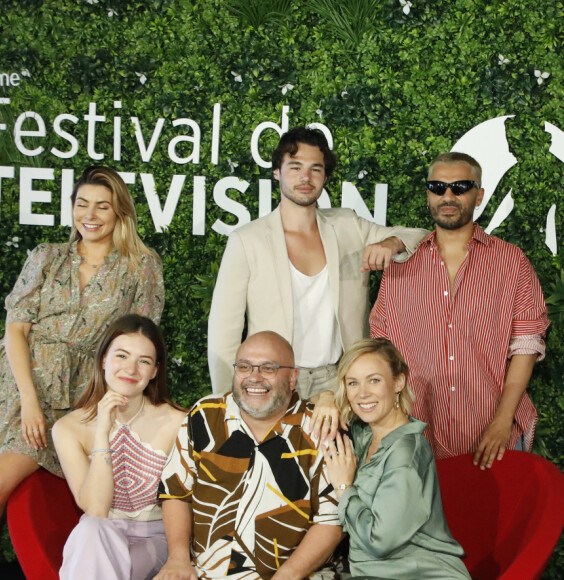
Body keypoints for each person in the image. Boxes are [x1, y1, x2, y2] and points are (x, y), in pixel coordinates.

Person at [0, 166, 164, 578]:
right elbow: (16, 328)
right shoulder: (46, 256)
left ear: (120, 212)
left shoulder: (141, 266)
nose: (91, 214)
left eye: (103, 206)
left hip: (71, 396)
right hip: (7, 381)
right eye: (82, 204)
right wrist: (28, 398)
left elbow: (139, 339)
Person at [208, 127, 427, 440]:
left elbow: (417, 235)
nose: (305, 177)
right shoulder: (248, 241)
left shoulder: (347, 225)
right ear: (277, 173)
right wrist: (227, 404)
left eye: (316, 169)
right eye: (295, 167)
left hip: (338, 380)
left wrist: (390, 243)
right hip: (274, 379)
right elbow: (223, 333)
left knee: (334, 475)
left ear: (325, 177)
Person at [370, 152, 549, 468]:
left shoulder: (511, 262)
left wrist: (502, 421)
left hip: (492, 432)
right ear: (428, 195)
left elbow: (526, 346)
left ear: (479, 195)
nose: (447, 196)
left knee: (496, 518)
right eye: (437, 187)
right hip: (419, 436)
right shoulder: (399, 265)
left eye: (460, 187)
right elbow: (384, 350)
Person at [155, 331, 343, 580]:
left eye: (268, 368)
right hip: (203, 573)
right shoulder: (205, 416)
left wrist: (287, 576)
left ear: (292, 377)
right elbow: (176, 492)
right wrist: (178, 559)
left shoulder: (320, 428)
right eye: (244, 367)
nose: (254, 378)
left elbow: (332, 519)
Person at [322, 338, 470, 579]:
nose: (362, 393)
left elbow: (379, 542)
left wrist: (344, 488)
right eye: (352, 383)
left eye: (374, 380)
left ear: (399, 381)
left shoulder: (404, 454)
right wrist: (325, 398)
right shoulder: (365, 433)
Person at [53, 314, 186, 580]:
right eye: (122, 356)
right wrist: (102, 432)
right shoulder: (68, 428)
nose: (131, 369)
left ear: (155, 371)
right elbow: (97, 509)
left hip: (157, 535)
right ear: (104, 359)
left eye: (144, 361)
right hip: (101, 535)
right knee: (91, 528)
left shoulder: (177, 422)